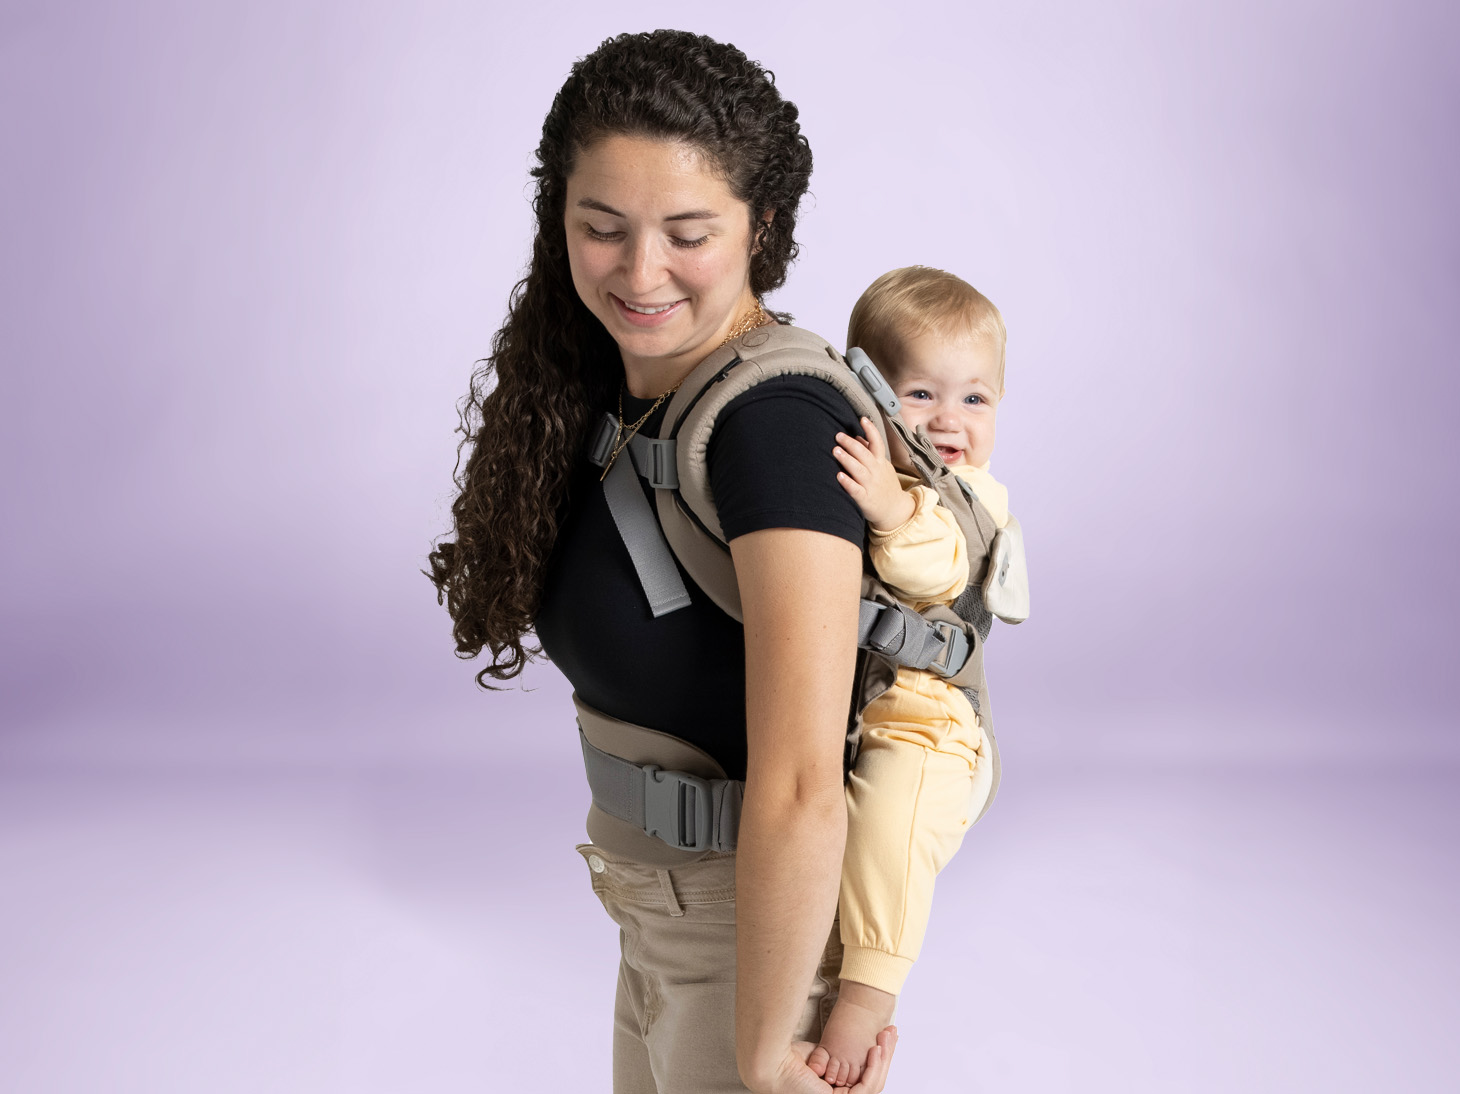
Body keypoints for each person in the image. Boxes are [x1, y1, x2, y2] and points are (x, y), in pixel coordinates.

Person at [427, 30, 897, 1094]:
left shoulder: (774, 430)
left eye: (687, 232)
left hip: (751, 946)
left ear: (760, 227)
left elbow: (798, 783)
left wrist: (772, 1039)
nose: (640, 273)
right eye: (602, 227)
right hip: (661, 919)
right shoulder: (617, 393)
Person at [808, 267, 1011, 1088]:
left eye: (976, 400)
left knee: (890, 831)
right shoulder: (878, 466)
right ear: (873, 396)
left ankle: (865, 1002)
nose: (949, 422)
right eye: (921, 394)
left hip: (933, 728)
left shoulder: (971, 495)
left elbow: (945, 569)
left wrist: (895, 511)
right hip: (866, 709)